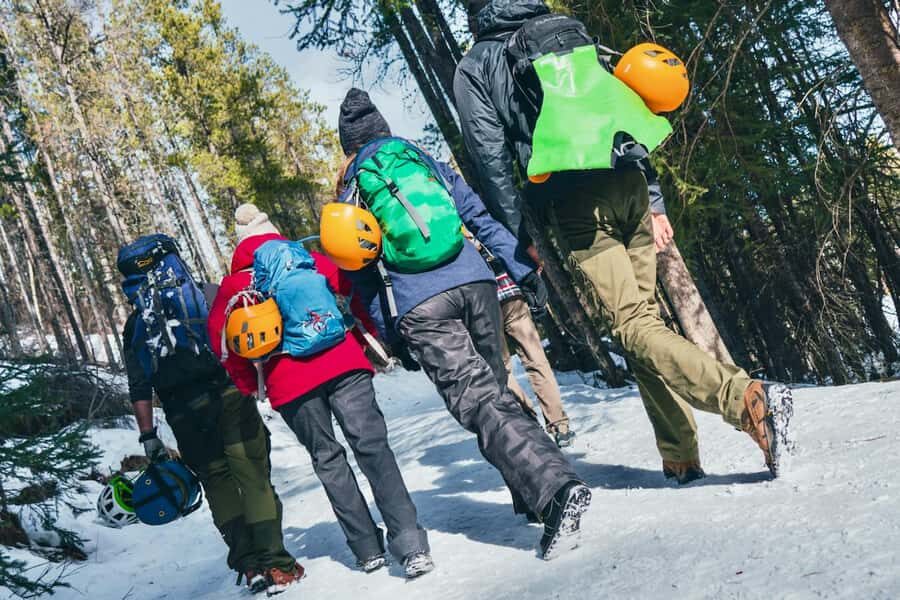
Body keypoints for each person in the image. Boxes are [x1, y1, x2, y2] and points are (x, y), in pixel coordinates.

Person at [453, 0, 794, 483]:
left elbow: (490, 160)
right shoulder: (563, 27)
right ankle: (679, 454)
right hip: (628, 180)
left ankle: (743, 399)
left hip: (576, 199)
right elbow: (620, 108)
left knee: (632, 325)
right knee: (643, 321)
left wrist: (517, 241)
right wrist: (652, 196)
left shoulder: (476, 65)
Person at [328, 88, 591, 560]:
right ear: (384, 129)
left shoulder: (352, 189)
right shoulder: (420, 159)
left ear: (349, 145)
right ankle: (535, 494)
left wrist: (392, 340)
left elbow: (363, 279)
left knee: (478, 402)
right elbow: (477, 214)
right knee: (496, 392)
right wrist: (521, 269)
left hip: (420, 304)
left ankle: (555, 490)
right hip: (476, 281)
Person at [206, 204, 434, 579]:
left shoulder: (234, 286)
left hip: (288, 382)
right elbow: (352, 293)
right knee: (373, 449)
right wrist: (371, 340)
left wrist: (252, 385)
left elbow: (223, 346)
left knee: (328, 460)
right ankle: (411, 544)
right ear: (276, 234)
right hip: (344, 362)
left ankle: (366, 550)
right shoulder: (309, 260)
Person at [117, 234, 301, 596]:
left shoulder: (135, 323)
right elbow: (242, 341)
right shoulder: (207, 293)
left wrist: (148, 436)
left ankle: (249, 567)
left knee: (217, 484)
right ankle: (276, 563)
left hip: (183, 415)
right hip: (228, 395)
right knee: (252, 477)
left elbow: (139, 387)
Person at [467, 232, 573, 447]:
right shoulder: (476, 217)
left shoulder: (449, 228)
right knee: (536, 359)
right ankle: (559, 424)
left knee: (502, 368)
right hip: (510, 291)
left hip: (482, 301)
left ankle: (530, 423)